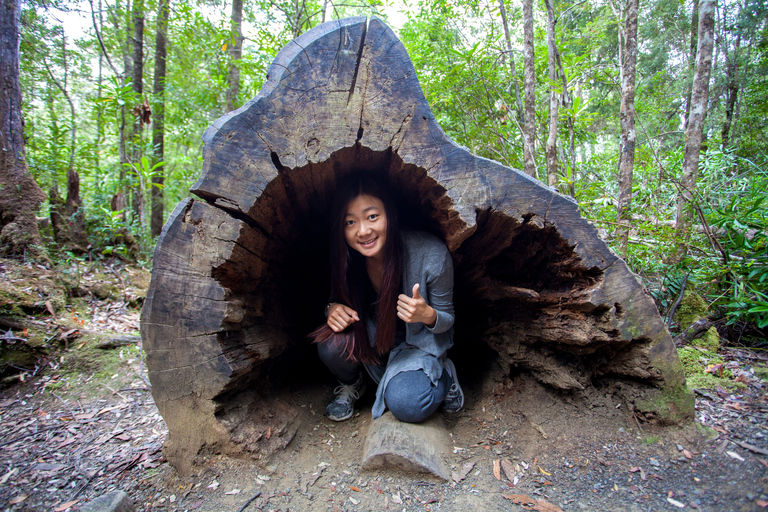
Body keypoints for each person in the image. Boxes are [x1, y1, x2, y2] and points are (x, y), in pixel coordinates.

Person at [313, 173, 464, 423]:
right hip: (373, 339)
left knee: (406, 404)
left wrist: (428, 315)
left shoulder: (430, 253)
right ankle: (354, 384)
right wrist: (332, 309)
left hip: (419, 346)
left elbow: (447, 320)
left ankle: (444, 376)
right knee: (330, 345)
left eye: (372, 216)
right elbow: (335, 299)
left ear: (390, 215)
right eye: (350, 222)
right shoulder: (348, 258)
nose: (363, 231)